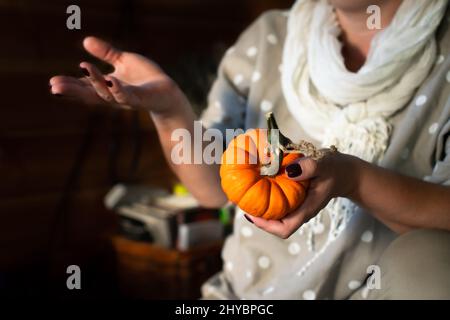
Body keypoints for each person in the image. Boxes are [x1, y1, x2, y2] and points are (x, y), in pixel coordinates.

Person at [50, 0, 450, 299]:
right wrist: (170, 108)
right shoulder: (268, 38)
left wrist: (353, 178)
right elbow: (214, 188)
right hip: (246, 297)